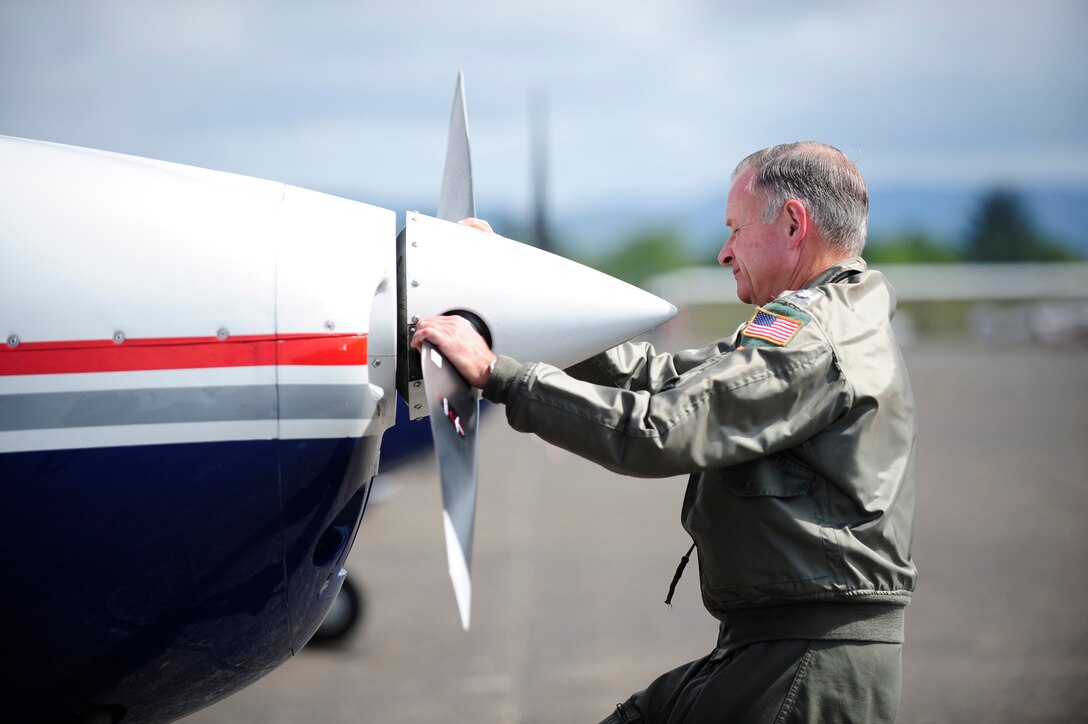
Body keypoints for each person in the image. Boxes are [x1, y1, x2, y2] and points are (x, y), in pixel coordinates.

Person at [412, 141, 917, 723]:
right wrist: (509, 282)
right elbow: (658, 378)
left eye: (735, 229)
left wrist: (497, 375)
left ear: (793, 223)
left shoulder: (811, 338)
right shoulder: (823, 322)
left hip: (805, 668)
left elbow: (658, 430)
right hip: (778, 651)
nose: (726, 252)